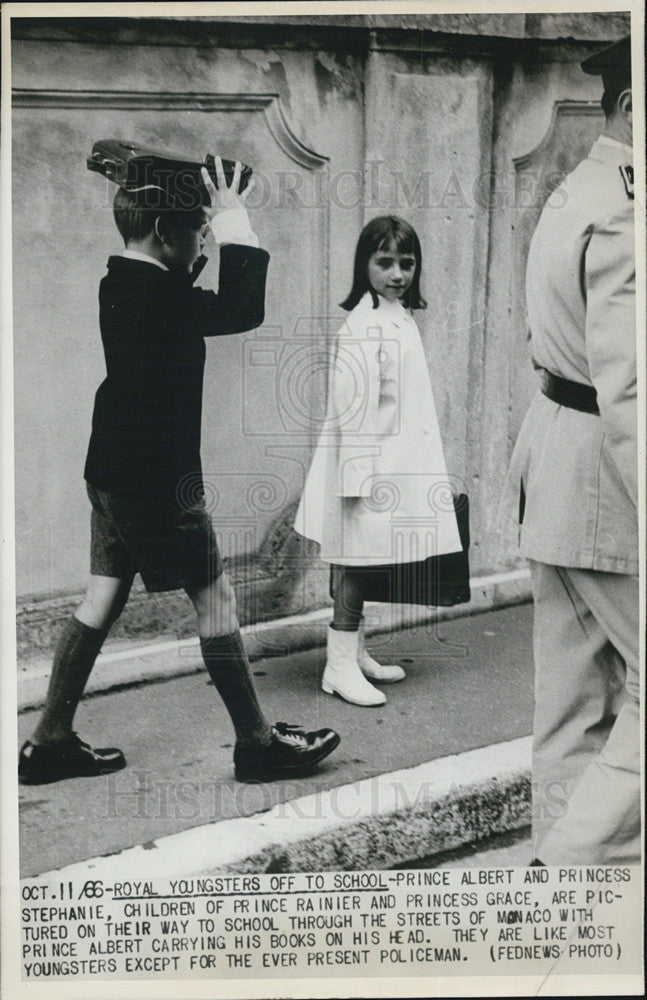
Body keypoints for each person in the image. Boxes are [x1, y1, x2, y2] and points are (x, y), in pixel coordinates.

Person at [19, 152, 340, 785]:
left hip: (110, 473)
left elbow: (180, 275)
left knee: (102, 597)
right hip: (158, 484)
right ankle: (255, 744)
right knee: (216, 599)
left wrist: (172, 210)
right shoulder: (161, 297)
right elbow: (243, 309)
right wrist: (234, 218)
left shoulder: (120, 280)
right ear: (167, 233)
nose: (203, 243)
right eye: (197, 230)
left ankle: (49, 739)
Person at [506, 37, 639, 864]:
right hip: (606, 477)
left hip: (552, 455)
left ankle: (564, 905)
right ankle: (567, 871)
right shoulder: (627, 208)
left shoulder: (575, 190)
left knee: (571, 701)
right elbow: (631, 387)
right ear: (631, 109)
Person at [295, 216, 464, 706]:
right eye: (384, 262)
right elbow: (353, 408)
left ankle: (355, 651)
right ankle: (339, 664)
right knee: (353, 562)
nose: (397, 273)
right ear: (363, 265)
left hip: (392, 461)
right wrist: (357, 479)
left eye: (406, 264)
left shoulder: (396, 314)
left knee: (366, 563)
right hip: (364, 466)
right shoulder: (363, 325)